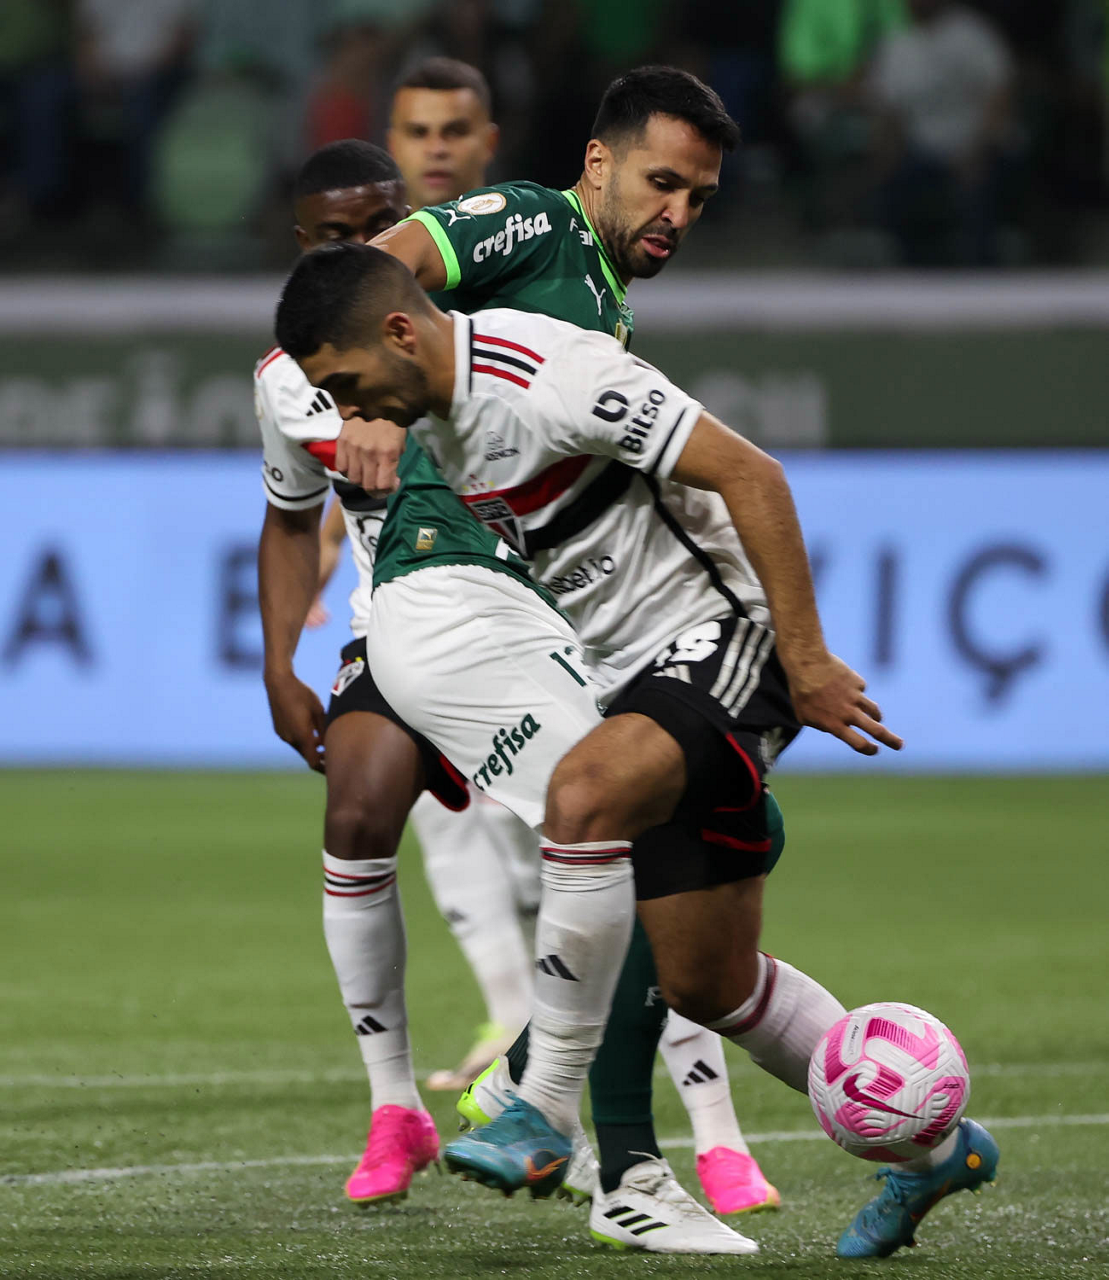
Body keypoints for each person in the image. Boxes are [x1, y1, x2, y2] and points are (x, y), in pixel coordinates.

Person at [275, 239, 1000, 1262]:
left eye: (345, 383)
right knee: (707, 980)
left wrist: (803, 659)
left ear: (400, 331)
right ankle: (933, 1151)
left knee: (585, 797)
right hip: (627, 677)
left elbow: (750, 473)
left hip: (723, 634)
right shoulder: (428, 417)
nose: (344, 408)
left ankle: (540, 1103)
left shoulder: (545, 373)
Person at [268, 67, 784, 1252]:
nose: (676, 213)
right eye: (661, 183)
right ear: (597, 163)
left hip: (530, 601)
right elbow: (395, 262)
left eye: (698, 198)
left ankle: (548, 1093)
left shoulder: (596, 290)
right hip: (459, 602)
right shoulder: (536, 221)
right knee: (624, 834)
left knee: (620, 845)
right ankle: (595, 1140)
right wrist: (373, 405)